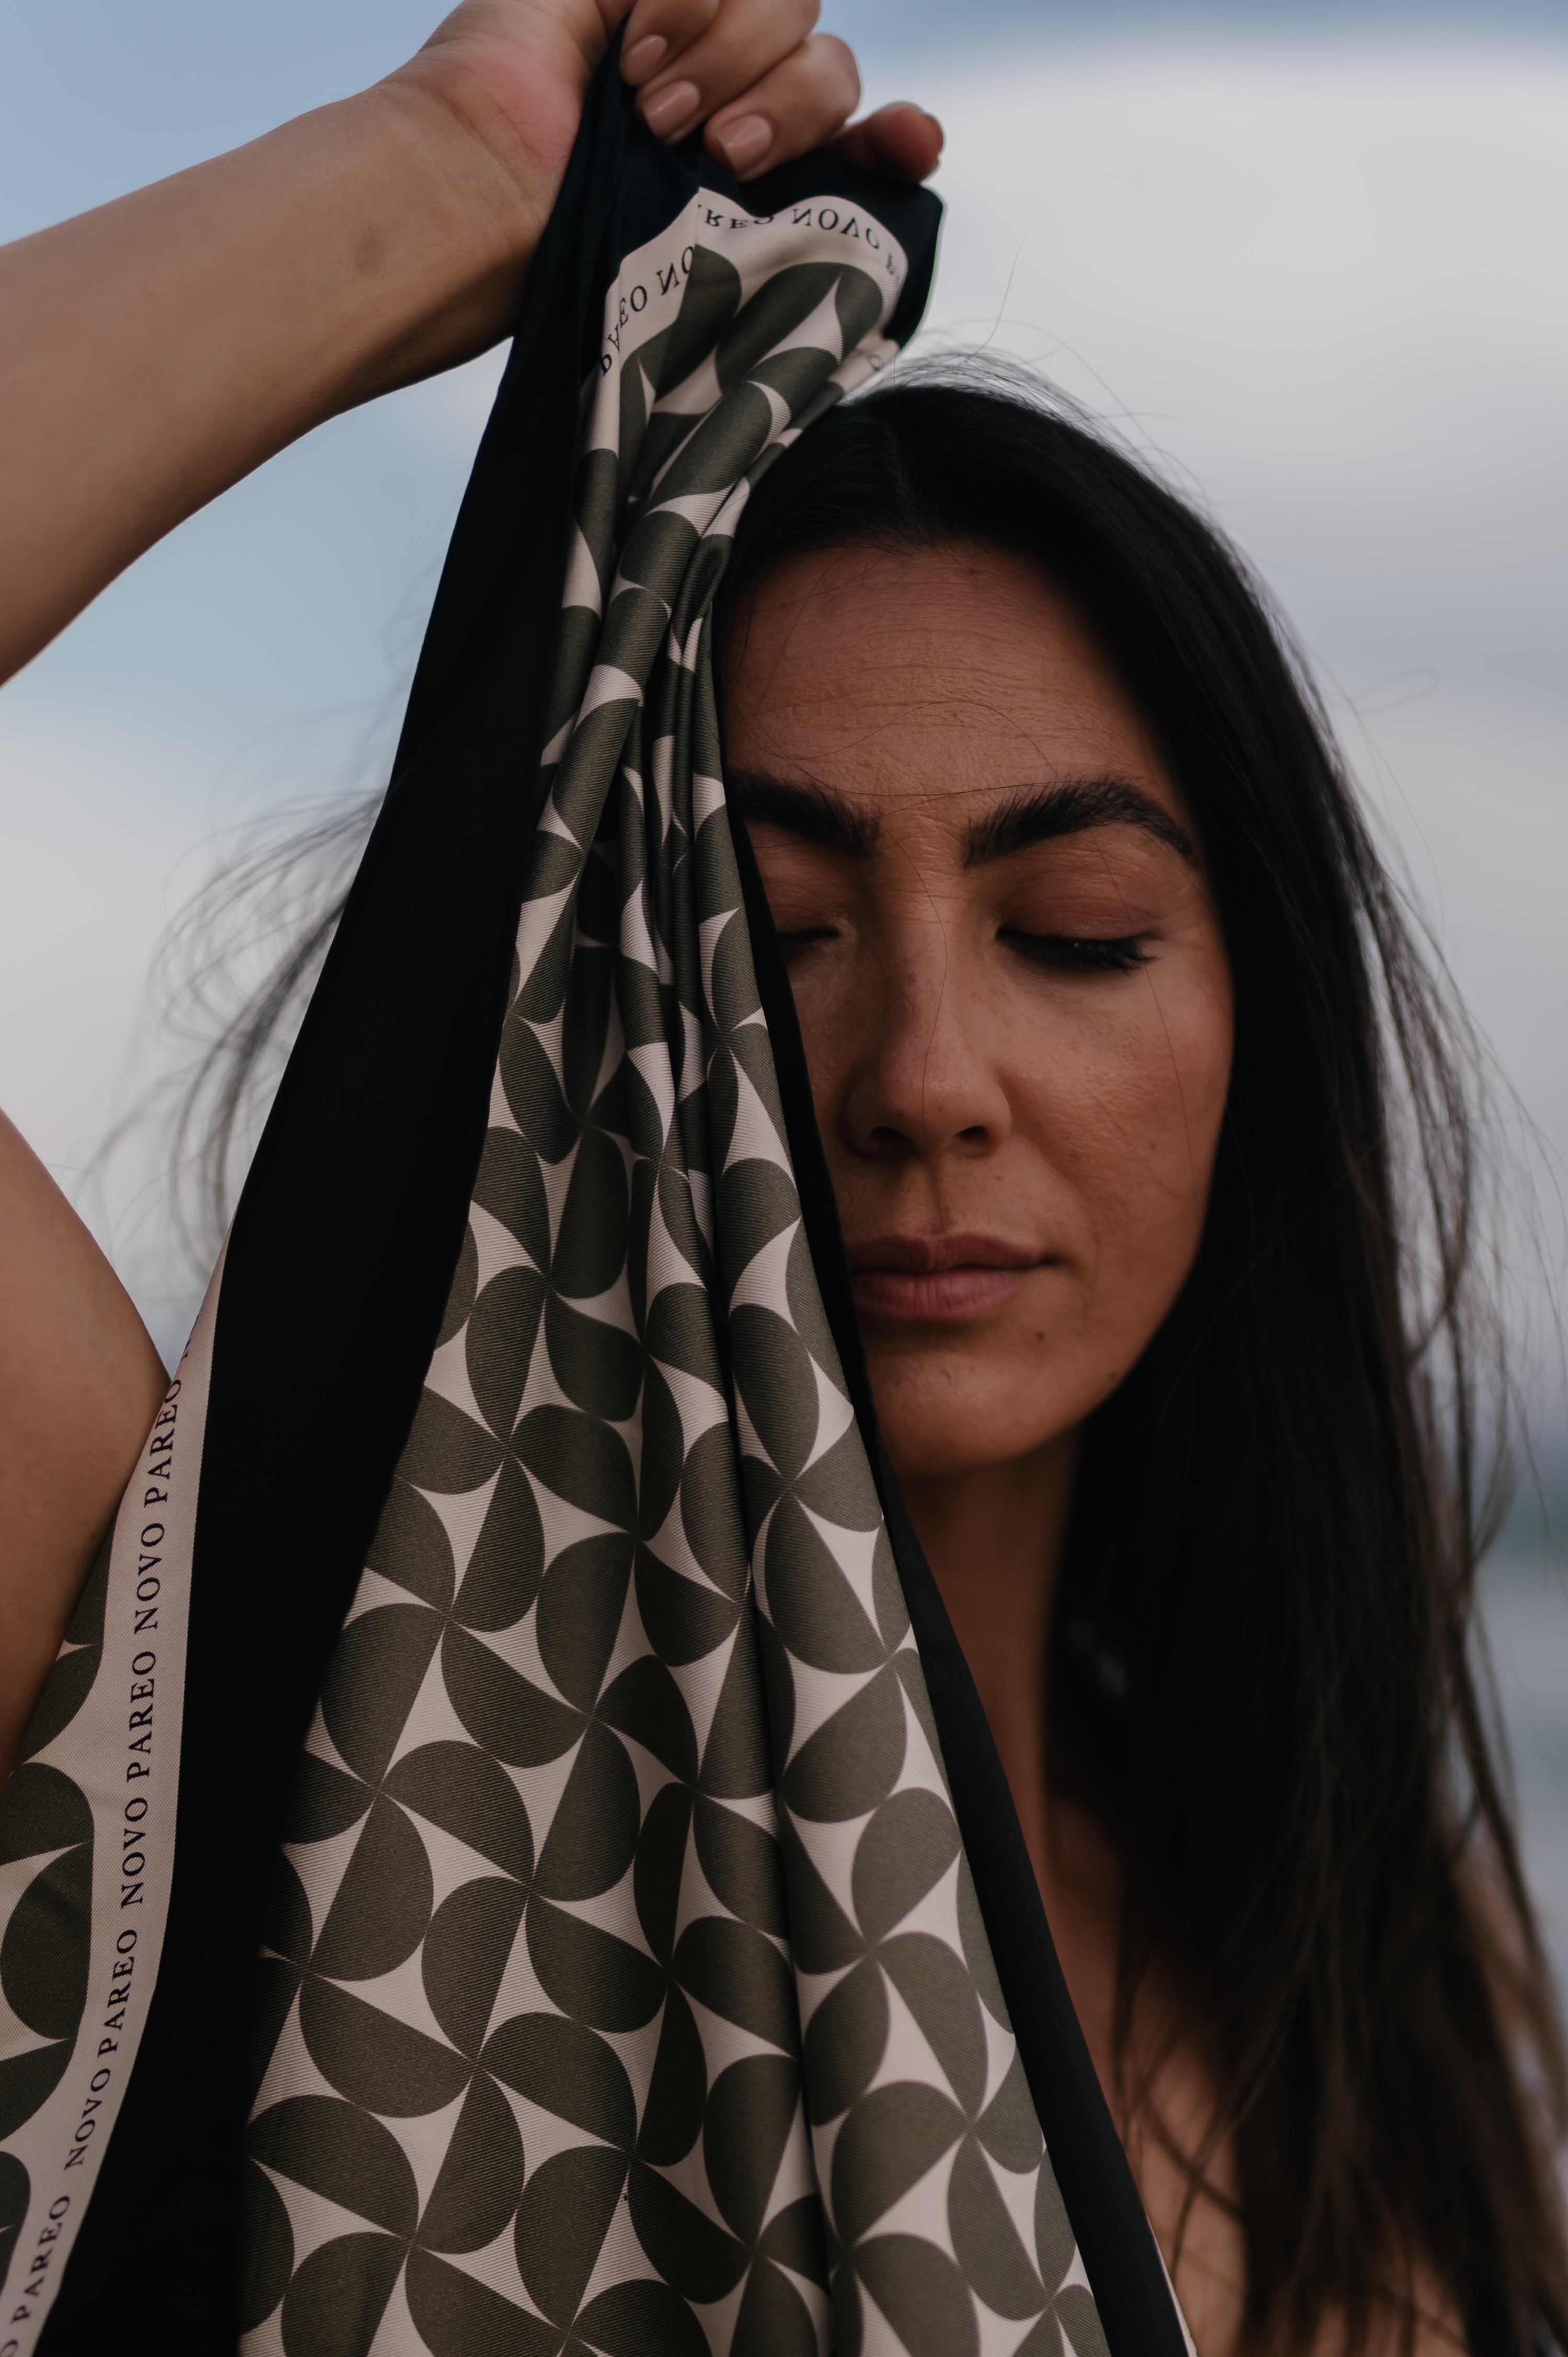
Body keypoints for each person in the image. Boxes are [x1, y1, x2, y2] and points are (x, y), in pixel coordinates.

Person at [0, 4, 1562, 2353]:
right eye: (766, 933)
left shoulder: (1364, 1923)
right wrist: (434, 172)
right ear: (576, 1005)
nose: (925, 1076)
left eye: (1074, 938)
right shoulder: (272, 1717)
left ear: (1258, 1035)